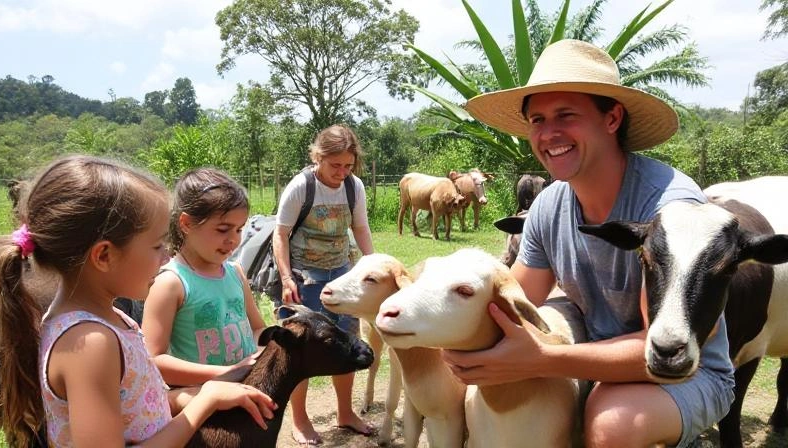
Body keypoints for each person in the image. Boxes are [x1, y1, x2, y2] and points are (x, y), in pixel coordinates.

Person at [443, 39, 735, 448]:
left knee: (609, 424)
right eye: (538, 119)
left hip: (683, 369)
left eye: (566, 115)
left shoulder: (672, 213)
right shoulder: (549, 205)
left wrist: (542, 359)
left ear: (612, 118)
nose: (549, 134)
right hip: (593, 350)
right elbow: (516, 300)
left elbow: (664, 349)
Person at [0, 155, 276, 448]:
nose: (166, 257)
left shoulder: (111, 320)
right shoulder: (90, 342)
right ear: (104, 256)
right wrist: (203, 402)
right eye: (156, 246)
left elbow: (137, 406)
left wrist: (196, 395)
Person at [273, 124, 375, 444]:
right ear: (318, 156)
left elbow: (360, 228)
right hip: (304, 278)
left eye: (348, 166)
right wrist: (287, 277)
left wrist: (372, 265)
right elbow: (280, 234)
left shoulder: (353, 187)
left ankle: (345, 412)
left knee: (346, 346)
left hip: (342, 275)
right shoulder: (301, 187)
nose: (342, 172)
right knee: (300, 351)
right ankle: (300, 420)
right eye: (335, 165)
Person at [142, 167, 267, 387]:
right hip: (202, 404)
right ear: (187, 224)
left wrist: (263, 354)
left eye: (239, 230)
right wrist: (228, 372)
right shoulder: (171, 283)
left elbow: (258, 328)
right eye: (223, 229)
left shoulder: (235, 273)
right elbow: (154, 360)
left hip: (246, 390)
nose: (233, 240)